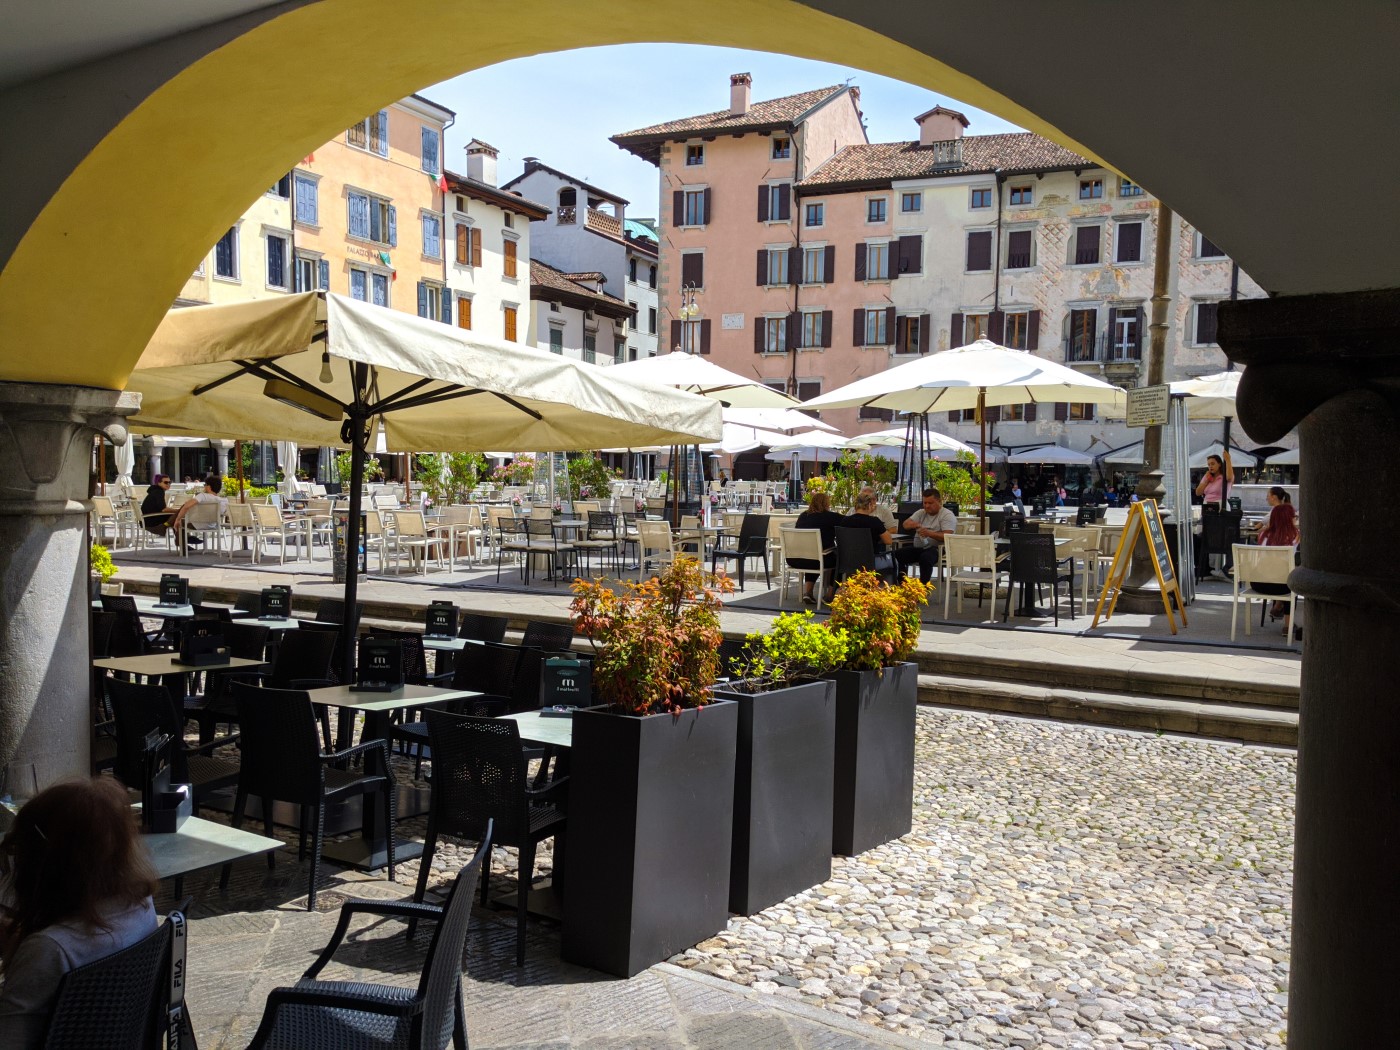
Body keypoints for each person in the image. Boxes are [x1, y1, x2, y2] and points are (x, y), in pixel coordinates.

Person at [0, 778, 158, 1049]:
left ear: (43, 861)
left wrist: (31, 951)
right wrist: (19, 941)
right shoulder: (140, 906)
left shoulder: (50, 950)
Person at [1252, 487, 1300, 628]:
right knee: (1292, 581)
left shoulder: (1263, 536)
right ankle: (1287, 626)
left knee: (1283, 577)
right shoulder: (1294, 537)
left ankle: (1278, 605)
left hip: (1259, 584)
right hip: (1281, 587)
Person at [894, 487, 956, 584]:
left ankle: (923, 587)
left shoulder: (947, 515)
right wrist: (914, 524)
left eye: (930, 503)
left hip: (937, 549)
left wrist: (929, 533)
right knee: (896, 555)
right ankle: (902, 584)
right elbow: (905, 524)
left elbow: (948, 535)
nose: (927, 506)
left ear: (939, 502)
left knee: (925, 558)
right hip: (919, 547)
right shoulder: (921, 513)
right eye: (925, 503)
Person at [792, 491, 845, 603]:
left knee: (812, 554)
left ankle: (808, 593)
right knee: (840, 560)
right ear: (826, 504)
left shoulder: (803, 516)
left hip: (796, 559)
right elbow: (848, 521)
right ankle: (830, 595)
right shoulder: (830, 517)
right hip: (818, 559)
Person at [840, 490, 894, 577]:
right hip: (871, 562)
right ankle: (886, 588)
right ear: (869, 505)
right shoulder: (874, 522)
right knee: (895, 561)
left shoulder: (845, 521)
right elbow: (889, 541)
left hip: (848, 562)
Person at [169, 473, 228, 547]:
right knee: (179, 521)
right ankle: (186, 539)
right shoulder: (223, 501)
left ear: (209, 487)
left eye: (205, 485)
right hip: (212, 525)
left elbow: (186, 506)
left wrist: (178, 519)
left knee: (177, 522)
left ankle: (182, 544)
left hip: (197, 524)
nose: (204, 487)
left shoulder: (202, 496)